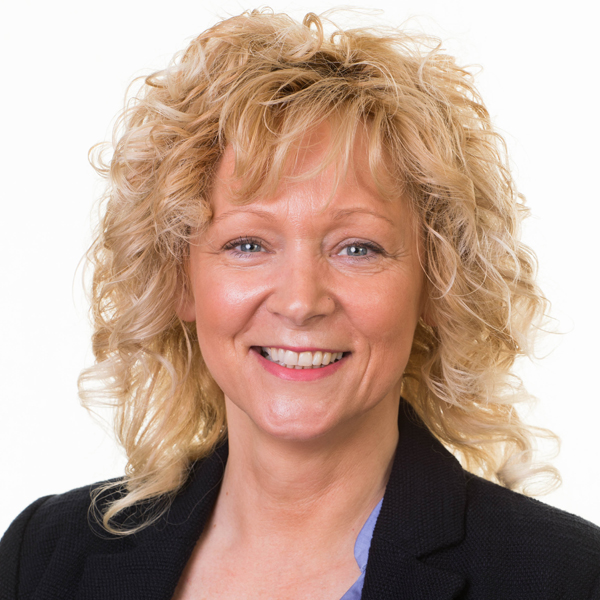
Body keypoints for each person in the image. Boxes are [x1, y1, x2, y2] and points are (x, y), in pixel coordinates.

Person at [1, 8, 599, 599]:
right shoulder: (44, 557)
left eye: (358, 248)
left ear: (436, 283)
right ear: (179, 279)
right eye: (247, 244)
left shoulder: (567, 579)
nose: (299, 301)